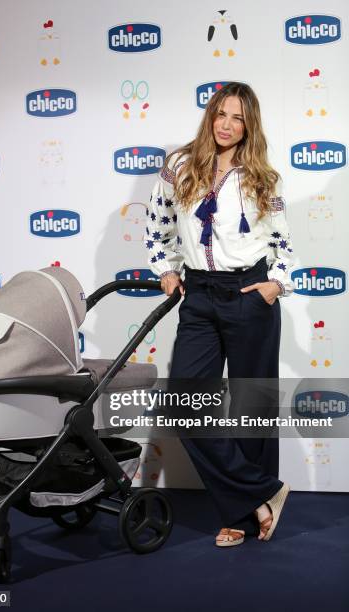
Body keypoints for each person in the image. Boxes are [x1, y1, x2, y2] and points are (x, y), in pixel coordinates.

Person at [144, 82, 294, 546]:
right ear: (210, 116)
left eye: (239, 118)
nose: (228, 125)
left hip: (249, 291)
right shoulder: (179, 165)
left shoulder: (262, 176)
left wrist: (275, 284)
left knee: (251, 408)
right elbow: (157, 222)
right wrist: (167, 271)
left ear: (250, 125)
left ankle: (241, 516)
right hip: (200, 295)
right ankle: (261, 494)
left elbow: (282, 240)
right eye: (221, 115)